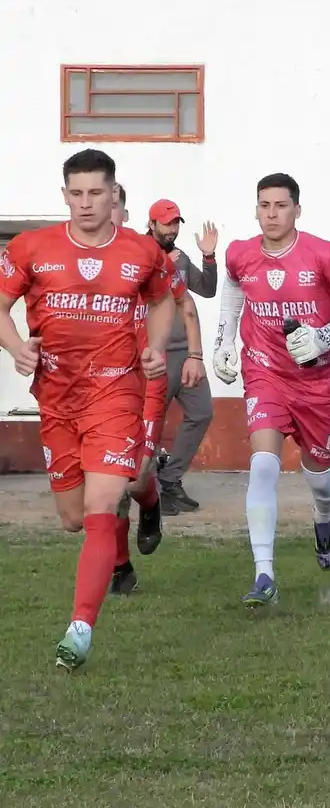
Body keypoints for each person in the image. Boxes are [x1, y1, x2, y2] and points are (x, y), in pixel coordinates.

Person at [0, 148, 175, 670]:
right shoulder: (33, 248)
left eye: (96, 192)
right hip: (56, 398)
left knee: (101, 509)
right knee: (73, 519)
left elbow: (164, 299)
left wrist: (156, 347)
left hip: (116, 393)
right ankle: (150, 494)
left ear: (114, 194)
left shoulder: (143, 251)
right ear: (64, 196)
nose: (85, 203)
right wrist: (15, 346)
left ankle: (80, 629)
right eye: (76, 194)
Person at [213, 172, 330, 608]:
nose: (271, 214)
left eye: (280, 205)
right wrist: (223, 340)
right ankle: (264, 574)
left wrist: (324, 336)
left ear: (297, 209)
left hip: (319, 379)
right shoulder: (240, 253)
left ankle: (324, 516)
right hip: (266, 372)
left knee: (320, 476)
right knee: (262, 466)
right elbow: (233, 288)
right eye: (264, 205)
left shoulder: (326, 255)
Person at [109, 184, 206, 597]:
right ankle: (119, 568)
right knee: (105, 487)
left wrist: (196, 355)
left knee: (133, 479)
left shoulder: (149, 258)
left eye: (108, 202)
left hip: (145, 376)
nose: (94, 208)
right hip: (98, 384)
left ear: (125, 214)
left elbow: (187, 303)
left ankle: (150, 503)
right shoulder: (71, 260)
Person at [145, 198, 218, 515]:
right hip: (154, 356)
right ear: (151, 224)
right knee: (149, 425)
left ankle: (170, 479)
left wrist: (208, 256)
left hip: (186, 354)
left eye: (175, 223)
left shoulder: (181, 257)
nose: (171, 229)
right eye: (166, 223)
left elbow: (208, 290)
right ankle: (145, 492)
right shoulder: (137, 254)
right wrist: (165, 265)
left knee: (201, 413)